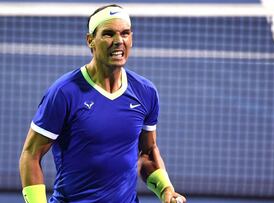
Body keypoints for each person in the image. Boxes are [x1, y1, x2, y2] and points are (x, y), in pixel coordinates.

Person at [19, 4, 187, 203]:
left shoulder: (145, 92)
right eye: (108, 34)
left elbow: (148, 153)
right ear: (90, 41)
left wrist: (166, 190)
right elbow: (31, 154)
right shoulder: (64, 92)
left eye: (125, 33)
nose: (118, 41)